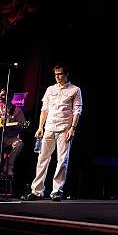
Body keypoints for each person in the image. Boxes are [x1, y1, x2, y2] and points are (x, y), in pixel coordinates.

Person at [23, 65, 82, 202]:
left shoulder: (75, 90)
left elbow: (77, 111)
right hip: (49, 127)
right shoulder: (50, 89)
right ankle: (37, 191)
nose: (57, 77)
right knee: (42, 159)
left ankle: (56, 191)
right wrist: (40, 127)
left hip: (64, 129)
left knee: (62, 161)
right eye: (56, 74)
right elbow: (45, 109)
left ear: (66, 74)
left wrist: (72, 128)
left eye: (60, 74)